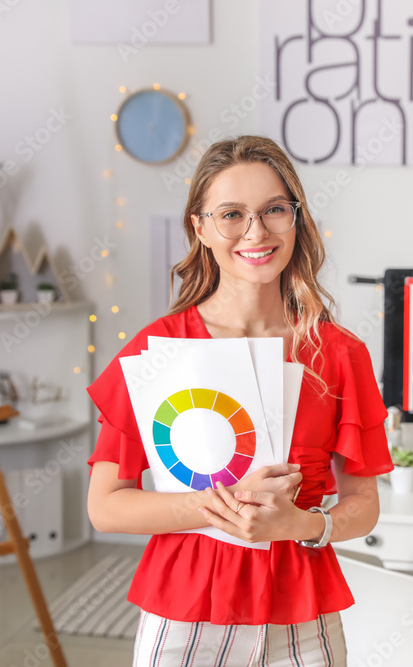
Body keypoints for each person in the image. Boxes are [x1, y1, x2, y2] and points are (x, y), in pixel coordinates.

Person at [86, 135, 393, 666]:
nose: (256, 232)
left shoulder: (340, 353)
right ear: (200, 228)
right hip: (187, 605)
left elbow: (364, 503)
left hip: (302, 605)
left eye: (275, 210)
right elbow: (106, 506)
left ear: (296, 219)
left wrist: (303, 525)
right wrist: (222, 505)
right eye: (231, 214)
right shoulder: (159, 351)